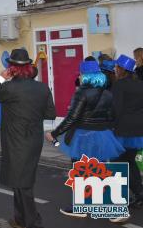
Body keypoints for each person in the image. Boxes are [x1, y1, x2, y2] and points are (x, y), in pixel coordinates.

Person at [0, 48, 56, 228]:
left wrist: (0, 78)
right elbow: (51, 113)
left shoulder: (9, 87)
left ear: (12, 68)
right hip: (33, 140)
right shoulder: (42, 87)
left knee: (23, 184)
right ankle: (20, 219)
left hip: (15, 141)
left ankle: (32, 222)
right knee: (20, 181)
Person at [45, 60, 123, 218]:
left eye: (80, 74)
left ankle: (81, 208)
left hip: (83, 137)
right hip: (102, 136)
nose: (79, 77)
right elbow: (114, 117)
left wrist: (54, 133)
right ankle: (112, 210)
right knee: (99, 172)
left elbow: (72, 118)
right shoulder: (108, 93)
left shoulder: (81, 92)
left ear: (85, 75)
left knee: (81, 171)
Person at [112, 54, 143, 213]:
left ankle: (123, 197)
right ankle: (139, 194)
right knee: (130, 161)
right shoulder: (140, 84)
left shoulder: (119, 86)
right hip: (138, 131)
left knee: (118, 164)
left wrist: (109, 127)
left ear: (122, 69)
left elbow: (116, 110)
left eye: (116, 67)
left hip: (123, 131)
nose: (114, 69)